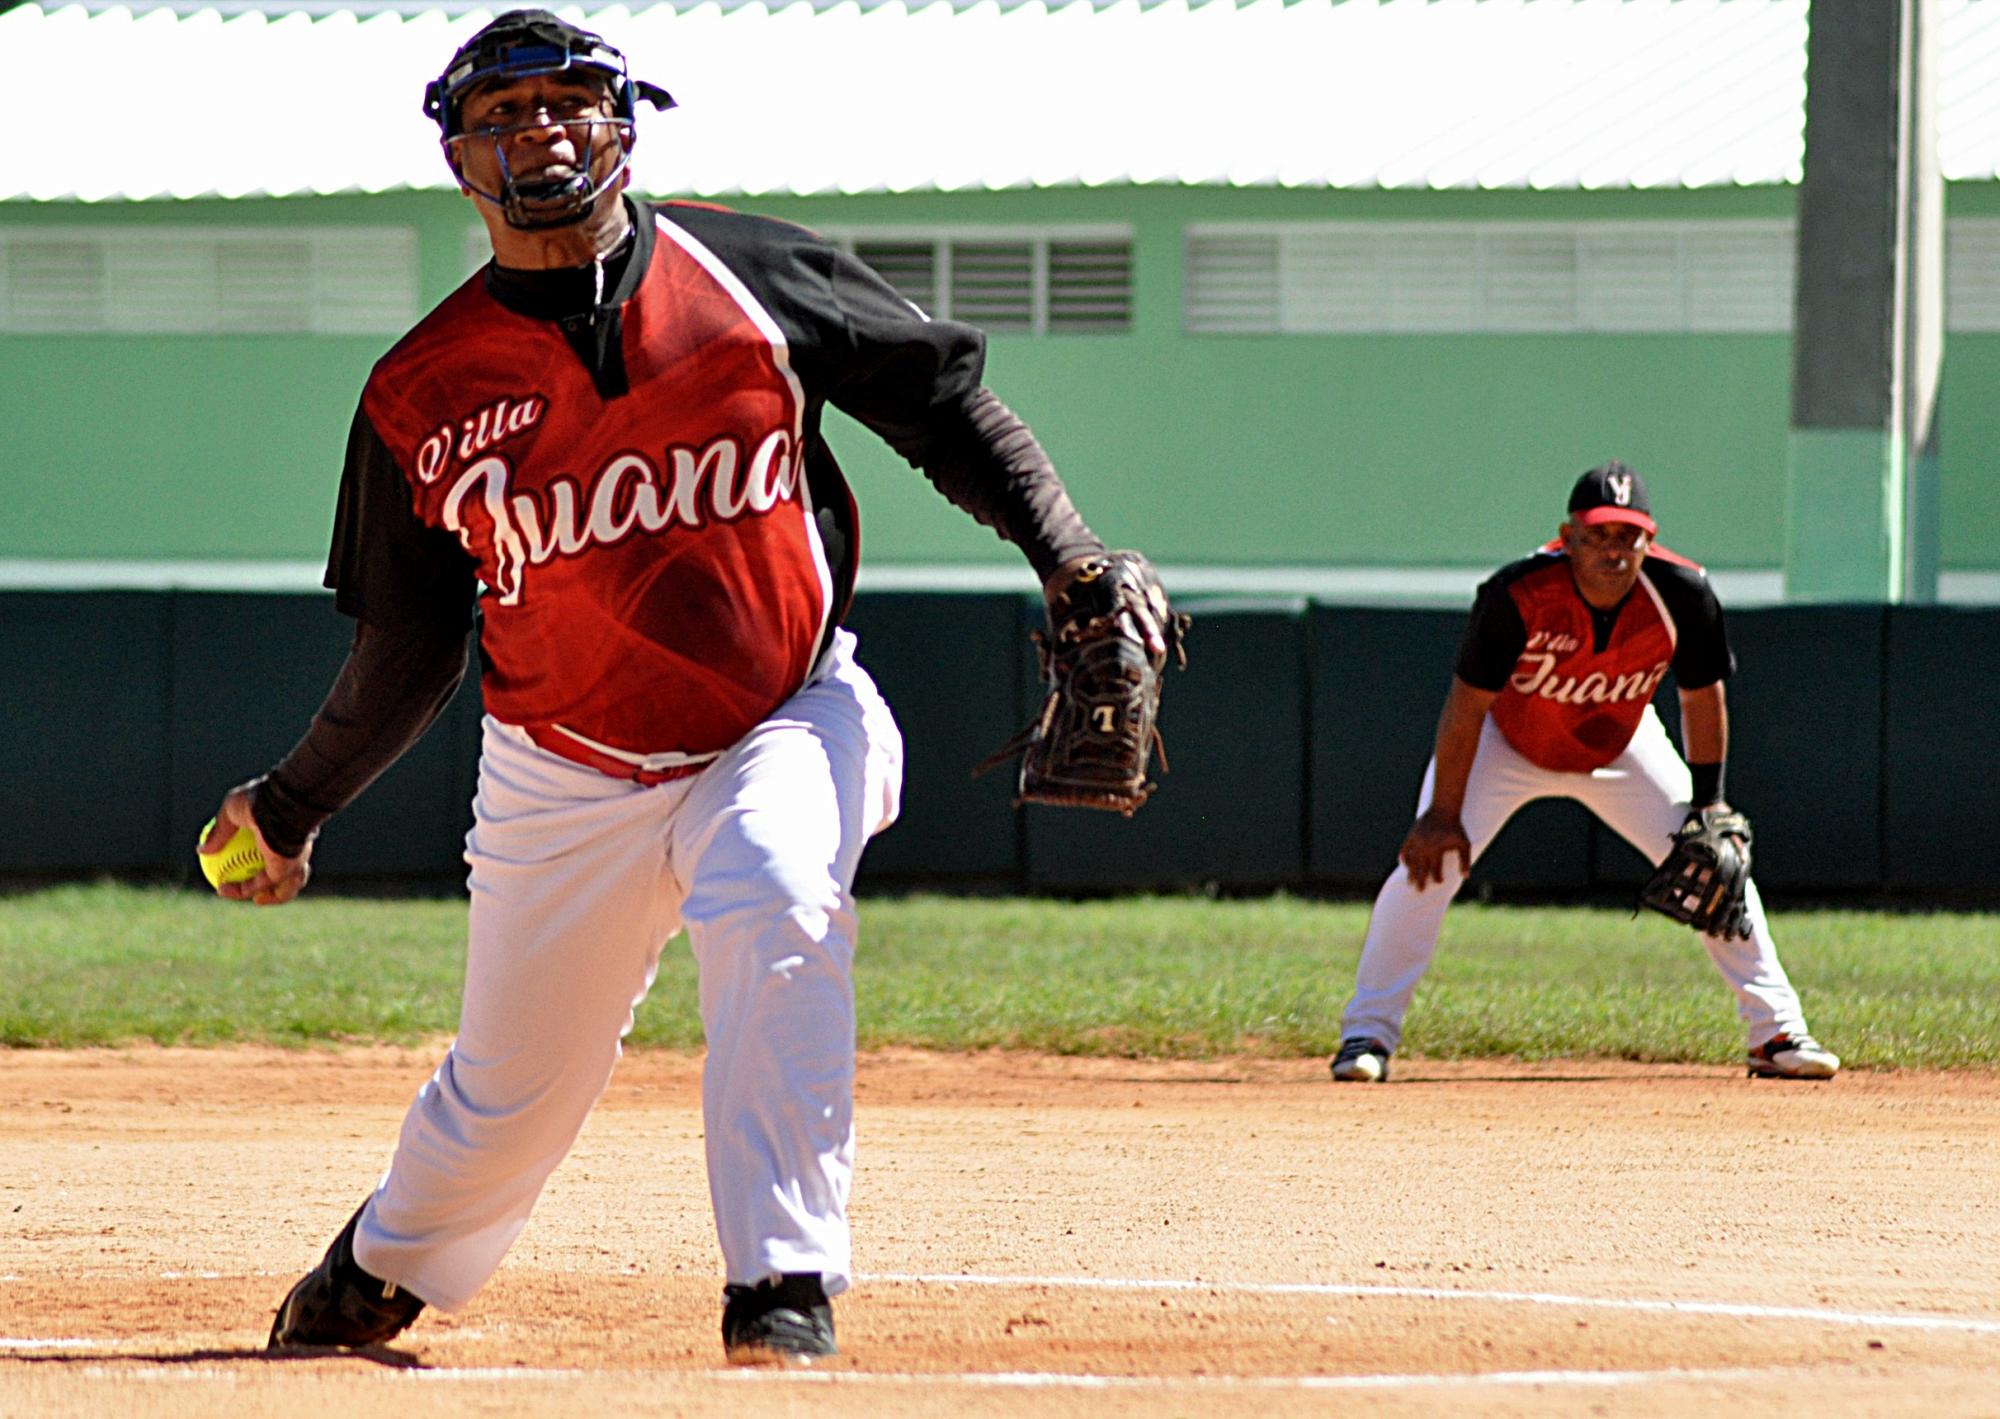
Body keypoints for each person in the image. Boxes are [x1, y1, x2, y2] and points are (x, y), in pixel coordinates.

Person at [203, 9, 1132, 1365]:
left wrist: (1070, 556)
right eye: (504, 112)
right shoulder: (418, 389)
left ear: (626, 123)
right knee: (513, 1088)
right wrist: (290, 805)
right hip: (560, 767)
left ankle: (781, 1285)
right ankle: (379, 1261)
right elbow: (409, 646)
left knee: (773, 888)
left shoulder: (748, 268)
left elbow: (948, 408)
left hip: (787, 711)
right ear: (458, 155)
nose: (541, 129)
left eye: (569, 101)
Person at [1327, 462, 1839, 1086]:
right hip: (1507, 740)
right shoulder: (1516, 593)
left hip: (1621, 744)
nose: (1613, 551)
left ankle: (1777, 1032)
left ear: (1649, 540)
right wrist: (1442, 814)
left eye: (1627, 536)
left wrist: (1710, 804)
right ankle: (1366, 1037)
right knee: (1427, 867)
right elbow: (1467, 705)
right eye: (1597, 535)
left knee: (1716, 867)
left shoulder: (1683, 593)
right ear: (1566, 538)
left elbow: (1702, 699)